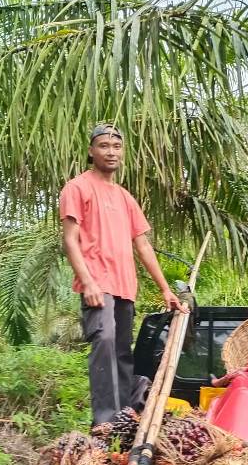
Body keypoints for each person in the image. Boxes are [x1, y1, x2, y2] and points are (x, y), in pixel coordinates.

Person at [60, 124, 186, 426]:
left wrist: (166, 289)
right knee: (104, 339)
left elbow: (143, 245)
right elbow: (69, 239)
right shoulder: (77, 188)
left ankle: (126, 417)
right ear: (91, 151)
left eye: (116, 146)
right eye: (103, 145)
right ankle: (105, 422)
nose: (111, 151)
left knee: (121, 351)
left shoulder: (126, 198)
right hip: (97, 283)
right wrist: (88, 281)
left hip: (124, 286)